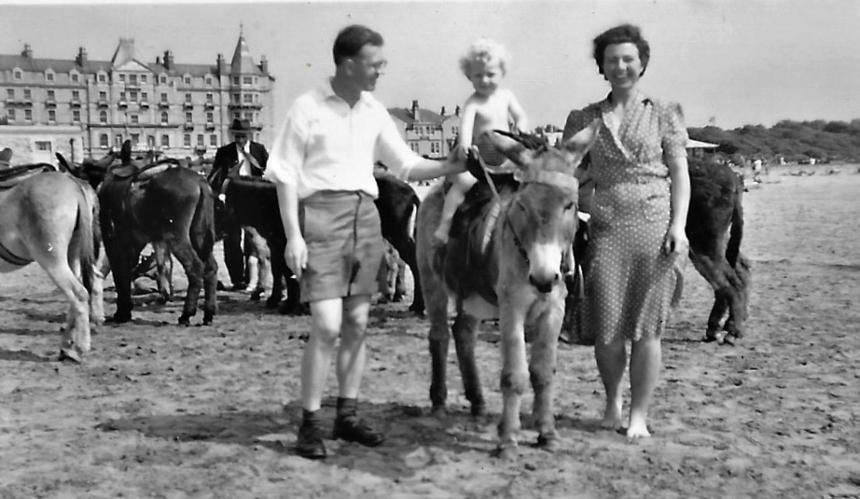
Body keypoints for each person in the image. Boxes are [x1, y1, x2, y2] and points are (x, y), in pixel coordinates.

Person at [264, 25, 467, 460]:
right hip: (320, 217)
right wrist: (293, 237)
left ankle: (348, 415)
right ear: (349, 64)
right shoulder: (307, 107)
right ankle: (310, 424)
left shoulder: (374, 110)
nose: (381, 72)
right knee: (327, 326)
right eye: (375, 64)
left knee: (357, 324)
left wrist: (449, 165)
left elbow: (406, 165)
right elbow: (283, 174)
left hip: (365, 217)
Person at [562, 24, 690, 439]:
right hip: (605, 230)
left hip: (656, 231)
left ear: (641, 63)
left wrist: (679, 225)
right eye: (612, 59)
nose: (620, 66)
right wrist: (577, 207)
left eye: (628, 59)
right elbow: (571, 175)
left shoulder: (664, 112)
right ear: (601, 66)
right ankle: (613, 401)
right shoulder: (583, 118)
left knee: (648, 330)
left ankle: (639, 415)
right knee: (608, 330)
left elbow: (679, 174)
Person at [433, 38, 528, 244]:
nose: (484, 80)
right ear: (469, 76)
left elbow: (520, 115)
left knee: (529, 183)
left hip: (506, 153)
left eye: (490, 74)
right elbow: (465, 125)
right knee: (462, 184)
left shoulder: (506, 96)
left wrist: (521, 128)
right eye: (478, 75)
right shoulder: (473, 102)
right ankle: (445, 225)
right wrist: (466, 143)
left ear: (502, 73)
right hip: (481, 155)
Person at [210, 118, 269, 290]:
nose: (240, 140)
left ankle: (250, 278)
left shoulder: (259, 150)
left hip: (254, 200)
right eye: (237, 136)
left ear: (249, 135)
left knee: (252, 242)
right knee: (232, 240)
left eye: (243, 136)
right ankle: (237, 279)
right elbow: (216, 175)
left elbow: (268, 172)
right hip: (232, 200)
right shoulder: (224, 152)